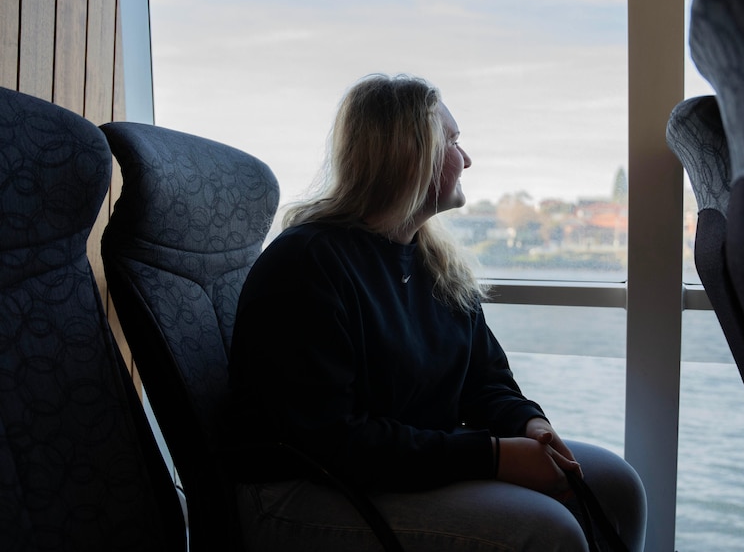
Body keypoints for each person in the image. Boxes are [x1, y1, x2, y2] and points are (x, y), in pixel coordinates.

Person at [226, 73, 647, 551]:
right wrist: (491, 456)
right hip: (304, 488)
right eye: (453, 141)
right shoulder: (307, 264)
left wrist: (529, 425)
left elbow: (486, 380)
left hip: (403, 467)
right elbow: (331, 441)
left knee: (616, 487)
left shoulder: (434, 262)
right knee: (546, 532)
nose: (467, 159)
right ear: (412, 152)